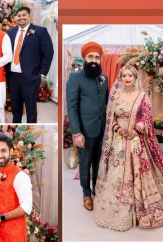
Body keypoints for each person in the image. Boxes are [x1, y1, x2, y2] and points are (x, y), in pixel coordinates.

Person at [93, 65, 163, 231]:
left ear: (135, 78)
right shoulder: (115, 96)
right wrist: (119, 130)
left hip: (136, 140)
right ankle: (116, 209)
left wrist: (135, 130)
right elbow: (110, 118)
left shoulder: (142, 96)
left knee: (139, 172)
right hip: (119, 141)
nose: (127, 78)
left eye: (130, 76)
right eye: (124, 76)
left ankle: (142, 207)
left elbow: (147, 118)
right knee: (116, 172)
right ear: (120, 78)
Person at [66, 42, 108, 211]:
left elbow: (104, 103)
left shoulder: (103, 77)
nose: (94, 60)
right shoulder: (75, 78)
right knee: (85, 163)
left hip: (100, 129)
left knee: (98, 161)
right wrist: (76, 133)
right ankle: (86, 193)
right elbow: (72, 106)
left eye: (97, 57)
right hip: (84, 130)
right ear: (84, 58)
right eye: (90, 57)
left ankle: (97, 187)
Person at [5, 6, 54, 123]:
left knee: (31, 110)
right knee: (15, 109)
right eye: (19, 15)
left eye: (24, 15)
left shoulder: (40, 31)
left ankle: (31, 128)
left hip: (31, 77)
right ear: (16, 18)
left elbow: (48, 52)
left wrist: (42, 73)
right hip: (13, 76)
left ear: (29, 16)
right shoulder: (10, 32)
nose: (21, 18)